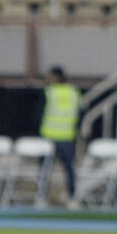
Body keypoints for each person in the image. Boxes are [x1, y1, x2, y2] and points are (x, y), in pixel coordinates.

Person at [39, 66, 81, 208]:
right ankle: (72, 198)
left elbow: (39, 112)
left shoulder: (49, 92)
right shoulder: (74, 92)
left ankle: (42, 197)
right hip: (68, 135)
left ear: (56, 77)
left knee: (45, 169)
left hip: (49, 135)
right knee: (69, 169)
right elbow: (80, 112)